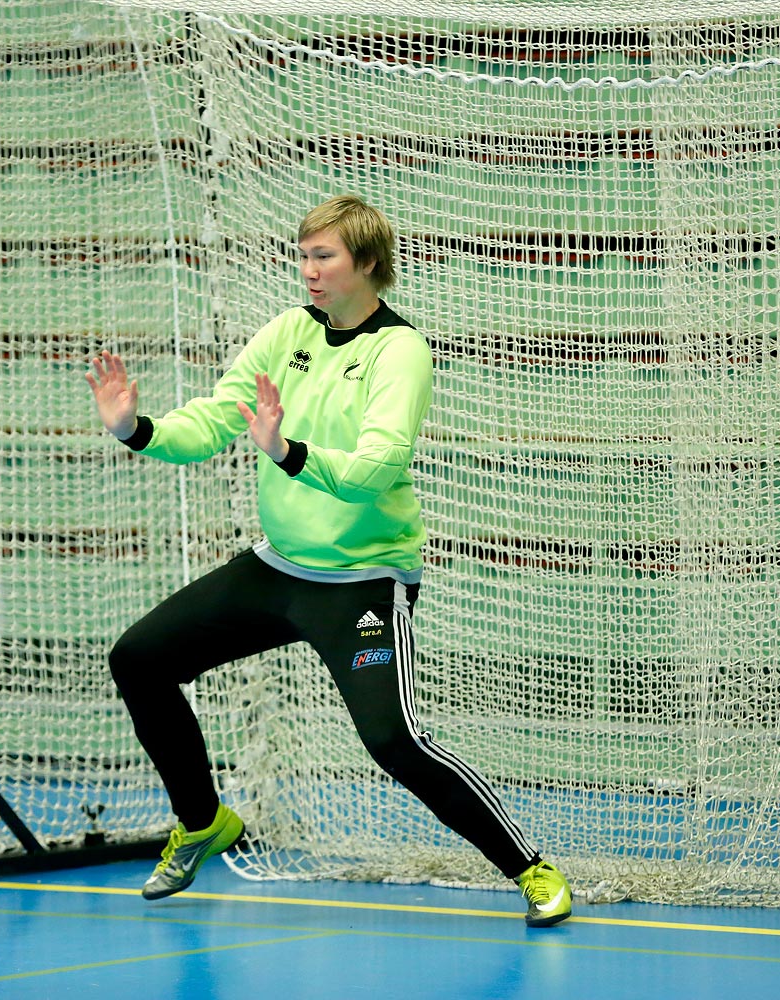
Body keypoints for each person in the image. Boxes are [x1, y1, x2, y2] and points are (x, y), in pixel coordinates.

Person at [85, 194, 572, 927]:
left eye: (325, 257)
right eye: (303, 255)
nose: (308, 271)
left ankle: (531, 870)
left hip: (363, 581)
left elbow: (379, 464)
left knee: (392, 742)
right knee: (139, 658)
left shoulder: (399, 350)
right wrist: (137, 428)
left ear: (368, 264)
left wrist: (289, 454)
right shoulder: (286, 331)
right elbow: (218, 417)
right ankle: (202, 821)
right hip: (279, 568)